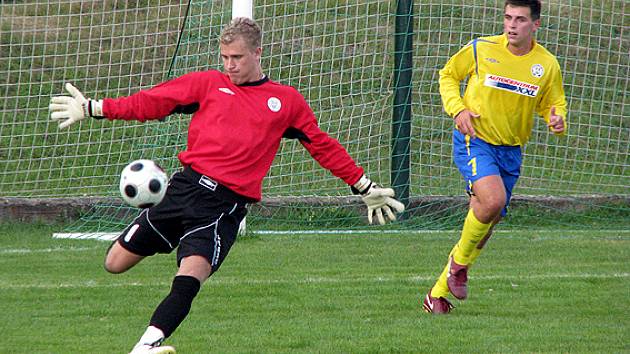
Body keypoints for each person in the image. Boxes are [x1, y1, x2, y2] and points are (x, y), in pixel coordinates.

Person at [49, 17, 405, 353]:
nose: (230, 64)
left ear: (257, 53)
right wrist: (96, 108)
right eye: (225, 57)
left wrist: (363, 185)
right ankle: (170, 248)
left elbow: (321, 146)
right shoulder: (208, 84)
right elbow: (153, 102)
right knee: (114, 263)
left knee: (192, 272)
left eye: (237, 57)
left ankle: (148, 344)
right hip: (181, 189)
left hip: (223, 205)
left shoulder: (285, 102)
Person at [422, 0, 567, 314]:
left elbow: (551, 103)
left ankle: (437, 294)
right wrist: (458, 108)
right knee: (493, 201)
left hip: (511, 151)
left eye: (520, 19)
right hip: (475, 140)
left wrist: (556, 120)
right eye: (507, 18)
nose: (512, 25)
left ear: (535, 25)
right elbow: (447, 75)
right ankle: (459, 266)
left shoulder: (547, 64)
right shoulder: (481, 49)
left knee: (485, 223)